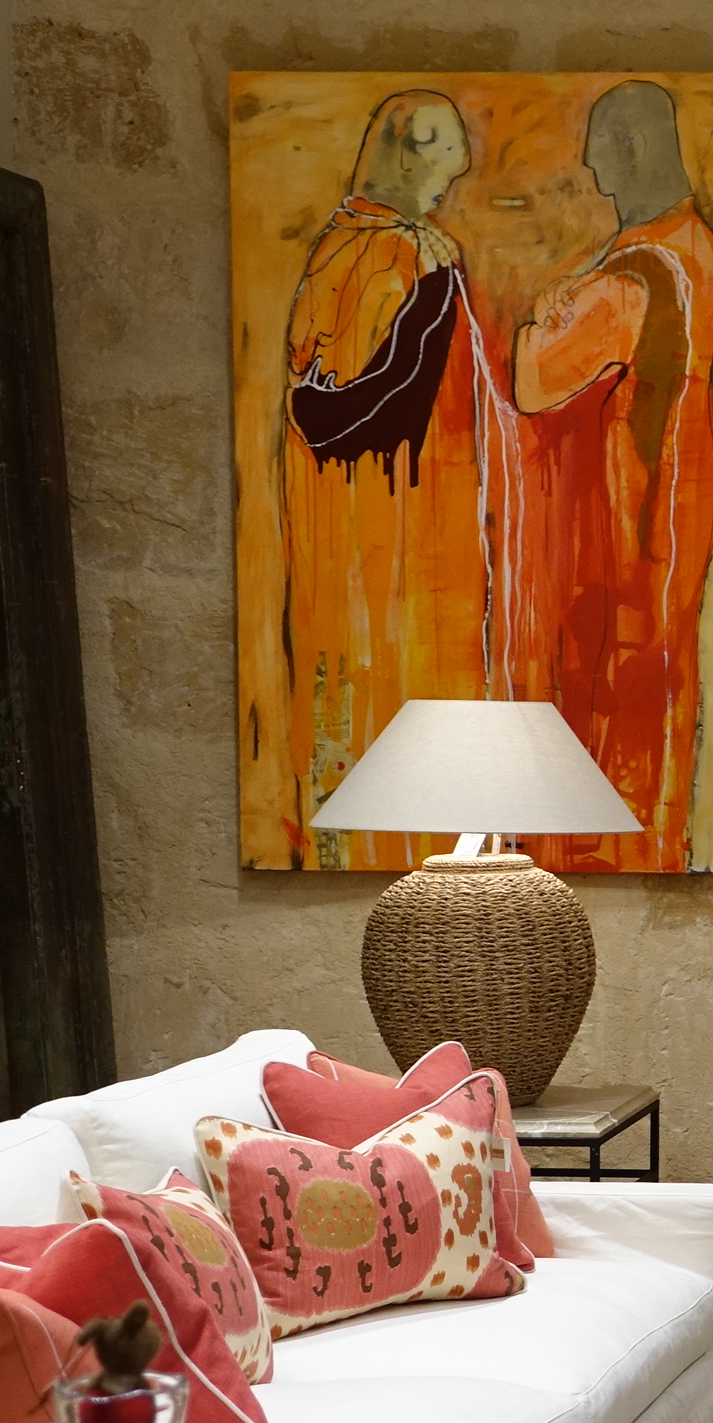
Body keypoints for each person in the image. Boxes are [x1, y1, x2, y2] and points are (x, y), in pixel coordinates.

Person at [510, 81, 713, 873]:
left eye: (601, 155)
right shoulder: (697, 248)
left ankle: (599, 856)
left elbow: (535, 377)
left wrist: (544, 315)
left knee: (609, 685)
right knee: (656, 681)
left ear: (633, 149)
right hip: (674, 504)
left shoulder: (636, 272)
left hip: (623, 515)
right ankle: (647, 847)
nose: (596, 176)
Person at [278, 90, 497, 868]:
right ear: (405, 157)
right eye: (442, 168)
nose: (449, 186)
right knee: (384, 680)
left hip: (380, 523)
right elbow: (358, 411)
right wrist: (438, 294)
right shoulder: (395, 257)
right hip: (389, 520)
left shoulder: (357, 247)